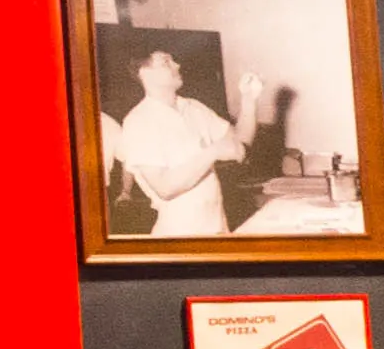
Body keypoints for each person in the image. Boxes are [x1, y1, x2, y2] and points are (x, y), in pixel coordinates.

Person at [107, 44, 281, 236]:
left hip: (218, 229)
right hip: (179, 236)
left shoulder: (193, 107)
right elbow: (165, 187)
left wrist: (249, 99)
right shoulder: (139, 121)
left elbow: (240, 142)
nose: (177, 65)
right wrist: (212, 152)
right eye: (166, 62)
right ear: (144, 73)